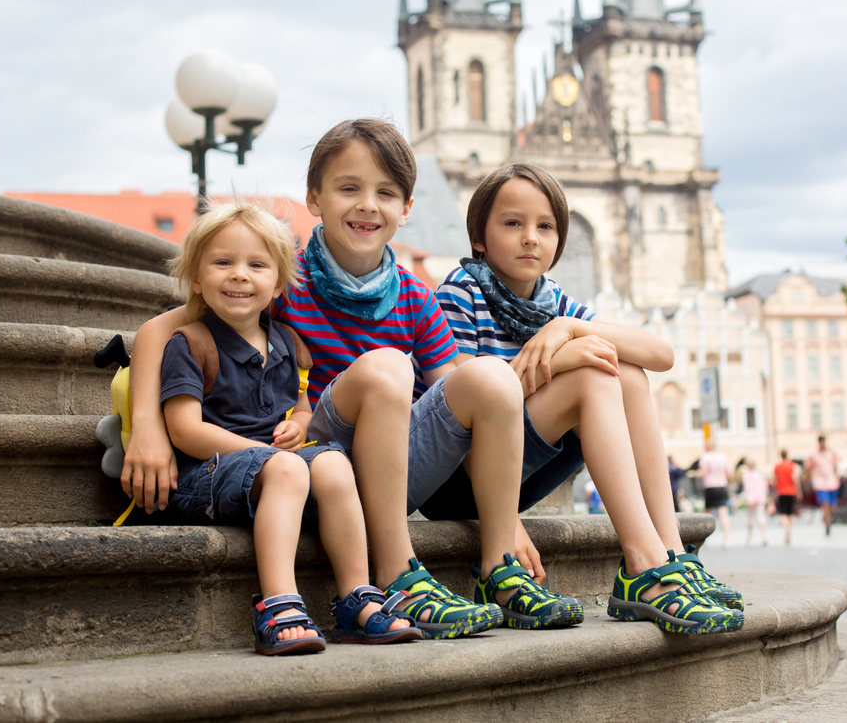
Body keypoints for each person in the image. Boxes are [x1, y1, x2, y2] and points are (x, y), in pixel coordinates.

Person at [122, 119, 549, 639]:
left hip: (386, 469)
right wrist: (147, 425)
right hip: (315, 460)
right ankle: (397, 575)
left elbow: (465, 406)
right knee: (389, 364)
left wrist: (503, 517)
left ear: (406, 209)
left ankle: (497, 567)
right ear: (315, 198)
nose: (367, 204)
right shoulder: (280, 276)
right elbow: (158, 329)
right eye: (349, 188)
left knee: (491, 377)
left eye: (385, 193)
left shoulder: (417, 296)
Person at [425, 162, 744, 634]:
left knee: (629, 374)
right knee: (595, 375)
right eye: (512, 223)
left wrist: (569, 328)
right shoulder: (461, 292)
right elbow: (464, 413)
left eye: (545, 226)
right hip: (462, 475)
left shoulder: (553, 301)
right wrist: (506, 520)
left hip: (517, 468)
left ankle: (671, 552)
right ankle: (642, 566)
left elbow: (662, 354)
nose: (530, 237)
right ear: (479, 237)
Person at [159, 199, 421, 653]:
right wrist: (264, 454)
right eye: (223, 262)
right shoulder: (191, 344)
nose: (240, 274)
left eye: (256, 265)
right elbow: (184, 430)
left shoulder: (287, 344)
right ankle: (279, 604)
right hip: (204, 475)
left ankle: (356, 597)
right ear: (197, 278)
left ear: (279, 282)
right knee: (289, 469)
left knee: (334, 463)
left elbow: (300, 406)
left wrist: (299, 427)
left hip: (274, 469)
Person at [697, 439, 733, 549]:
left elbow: (703, 473)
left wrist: (695, 474)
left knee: (707, 514)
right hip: (721, 486)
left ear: (707, 447)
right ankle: (726, 539)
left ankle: (704, 538)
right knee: (724, 513)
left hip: (710, 486)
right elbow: (729, 474)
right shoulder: (722, 457)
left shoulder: (705, 457)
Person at [805, 434, 840, 537]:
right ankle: (827, 526)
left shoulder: (832, 453)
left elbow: (835, 467)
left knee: (832, 507)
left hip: (832, 483)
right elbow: (808, 469)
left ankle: (827, 518)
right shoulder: (813, 455)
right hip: (820, 483)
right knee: (825, 505)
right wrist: (807, 484)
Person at [740, 459, 769, 546]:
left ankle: (749, 537)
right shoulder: (759, 474)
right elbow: (764, 486)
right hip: (760, 497)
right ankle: (763, 536)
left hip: (751, 498)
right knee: (761, 516)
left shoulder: (745, 475)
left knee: (751, 518)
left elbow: (746, 487)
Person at [772, 450, 798, 546]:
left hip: (781, 492)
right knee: (790, 513)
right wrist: (799, 491)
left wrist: (775, 491)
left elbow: (775, 480)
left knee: (783, 513)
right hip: (791, 492)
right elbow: (795, 479)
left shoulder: (777, 466)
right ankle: (789, 529)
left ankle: (787, 528)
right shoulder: (791, 466)